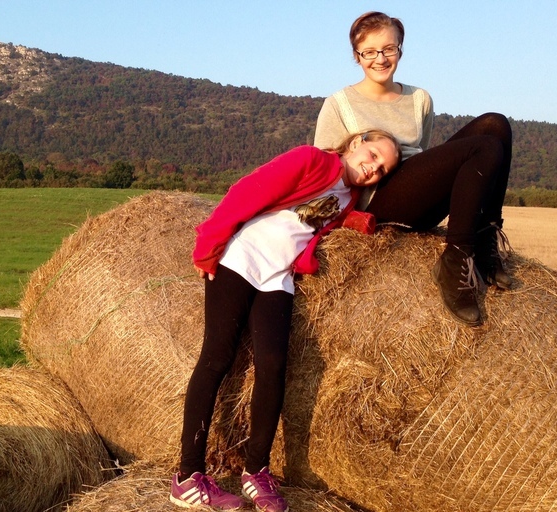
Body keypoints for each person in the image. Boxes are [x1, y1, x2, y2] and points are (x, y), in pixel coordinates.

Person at [170, 130, 402, 511]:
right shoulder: (311, 160)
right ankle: (187, 476)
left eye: (382, 169)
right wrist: (207, 246)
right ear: (357, 142)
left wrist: (359, 222)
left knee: (274, 366)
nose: (373, 167)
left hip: (277, 276)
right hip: (242, 257)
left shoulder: (350, 196)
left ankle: (255, 472)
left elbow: (316, 221)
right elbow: (248, 191)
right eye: (373, 154)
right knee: (217, 358)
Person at [314, 11, 514, 327]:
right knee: (486, 147)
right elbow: (322, 167)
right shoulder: (339, 104)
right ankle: (458, 257)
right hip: (378, 200)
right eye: (369, 52)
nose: (380, 59)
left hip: (418, 191)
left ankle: (486, 238)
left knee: (496, 125)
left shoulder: (420, 99)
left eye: (388, 49)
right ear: (357, 56)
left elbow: (422, 153)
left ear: (400, 50)